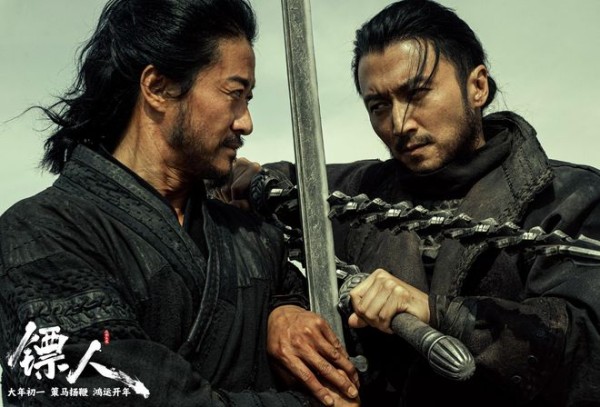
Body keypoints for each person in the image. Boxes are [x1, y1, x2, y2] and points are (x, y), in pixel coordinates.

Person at [225, 0, 600, 405]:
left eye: (417, 93)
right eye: (379, 106)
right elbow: (256, 193)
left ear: (477, 86)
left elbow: (586, 344)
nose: (399, 123)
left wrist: (435, 312)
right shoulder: (358, 192)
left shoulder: (569, 196)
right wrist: (281, 309)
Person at [0, 0, 360, 405]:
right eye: (234, 94)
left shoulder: (256, 240)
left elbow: (287, 298)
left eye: (249, 99)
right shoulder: (40, 233)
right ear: (158, 88)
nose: (246, 122)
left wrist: (285, 313)